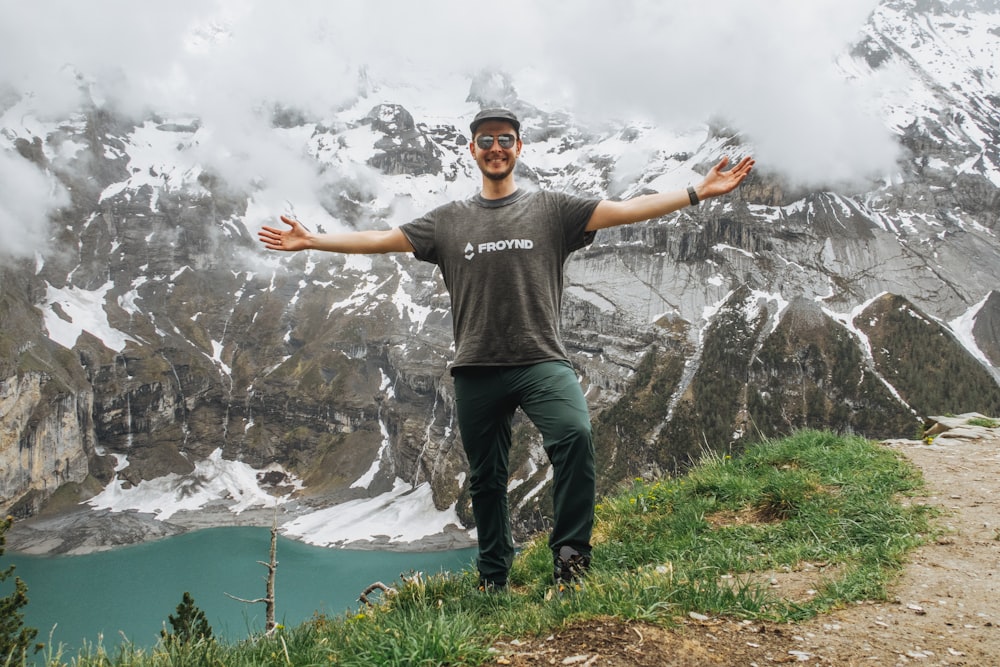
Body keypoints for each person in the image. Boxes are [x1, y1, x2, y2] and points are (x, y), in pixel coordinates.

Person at [259, 108, 754, 591]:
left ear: (519, 148)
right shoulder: (447, 222)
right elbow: (382, 239)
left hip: (542, 360)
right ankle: (494, 577)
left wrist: (697, 192)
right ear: (472, 150)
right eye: (486, 141)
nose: (495, 149)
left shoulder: (553, 210)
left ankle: (571, 558)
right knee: (486, 479)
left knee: (576, 436)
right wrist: (312, 241)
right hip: (476, 368)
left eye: (504, 140)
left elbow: (624, 210)